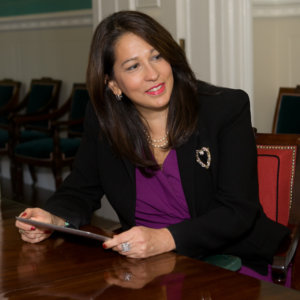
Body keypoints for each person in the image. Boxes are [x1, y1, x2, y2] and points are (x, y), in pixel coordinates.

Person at [16, 11, 289, 271]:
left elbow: (238, 211)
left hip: (232, 261)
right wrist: (53, 219)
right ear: (113, 84)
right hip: (146, 267)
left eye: (157, 57)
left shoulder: (224, 108)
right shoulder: (103, 118)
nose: (153, 74)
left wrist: (164, 239)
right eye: (133, 66)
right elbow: (80, 189)